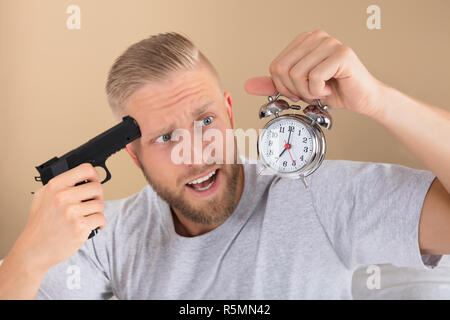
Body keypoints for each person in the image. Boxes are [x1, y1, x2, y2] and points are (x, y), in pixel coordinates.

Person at [0, 30, 449, 299]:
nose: (195, 152)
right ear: (133, 155)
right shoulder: (107, 239)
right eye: (166, 137)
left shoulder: (316, 196)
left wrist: (380, 102)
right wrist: (25, 260)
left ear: (231, 114)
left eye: (206, 120)